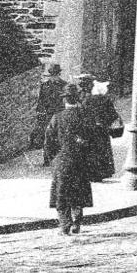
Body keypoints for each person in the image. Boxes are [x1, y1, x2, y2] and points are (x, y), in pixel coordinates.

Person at [44, 84, 97, 235]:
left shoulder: (57, 118)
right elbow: (93, 140)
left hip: (62, 160)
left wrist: (53, 159)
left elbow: (48, 141)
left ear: (64, 101)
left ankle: (65, 225)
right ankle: (77, 223)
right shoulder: (86, 116)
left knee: (61, 195)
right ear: (77, 99)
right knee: (78, 194)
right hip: (81, 160)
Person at [78, 76, 121, 181]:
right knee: (100, 151)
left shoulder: (81, 97)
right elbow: (113, 115)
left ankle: (87, 173)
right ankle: (99, 173)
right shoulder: (103, 99)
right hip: (101, 130)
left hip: (87, 129)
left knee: (88, 150)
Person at [33, 64, 66, 152]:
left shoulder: (64, 85)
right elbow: (41, 101)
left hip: (60, 113)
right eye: (52, 74)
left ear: (59, 74)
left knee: (59, 134)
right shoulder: (45, 85)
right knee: (46, 134)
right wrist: (40, 113)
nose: (54, 77)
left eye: (56, 74)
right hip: (48, 113)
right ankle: (47, 155)